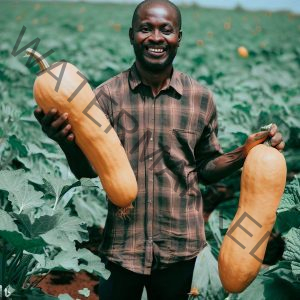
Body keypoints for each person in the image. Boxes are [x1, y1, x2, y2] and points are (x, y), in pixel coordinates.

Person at [34, 1, 285, 299]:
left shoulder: (200, 99)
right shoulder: (103, 97)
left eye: (166, 30)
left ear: (179, 36)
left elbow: (206, 168)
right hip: (122, 248)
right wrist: (65, 140)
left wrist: (244, 153)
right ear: (131, 35)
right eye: (145, 29)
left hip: (179, 248)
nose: (155, 37)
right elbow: (88, 171)